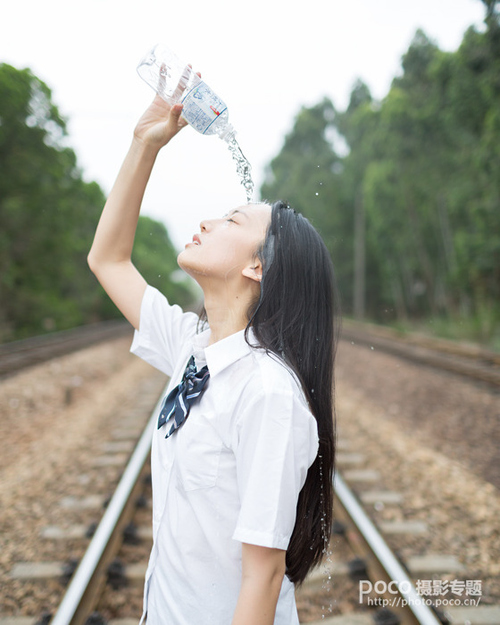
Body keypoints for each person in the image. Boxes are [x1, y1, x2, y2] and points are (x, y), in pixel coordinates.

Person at [88, 87, 340, 625]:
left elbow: (265, 574)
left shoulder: (267, 392)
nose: (205, 222)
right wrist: (144, 144)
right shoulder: (192, 349)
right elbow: (108, 259)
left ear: (258, 267)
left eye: (231, 220)